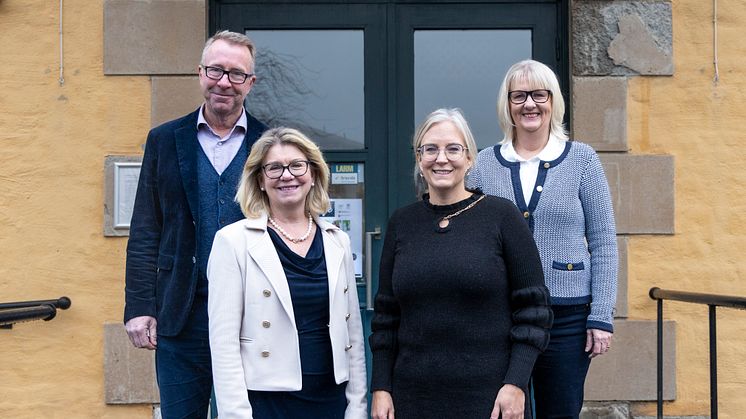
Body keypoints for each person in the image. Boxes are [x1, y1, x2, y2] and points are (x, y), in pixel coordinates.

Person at [369, 108, 553, 419]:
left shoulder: (502, 217)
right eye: (430, 149)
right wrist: (381, 386)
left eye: (453, 149)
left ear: (469, 158)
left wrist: (516, 383)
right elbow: (387, 315)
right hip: (412, 397)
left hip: (490, 397)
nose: (441, 158)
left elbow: (534, 312)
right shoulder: (402, 223)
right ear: (419, 158)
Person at [123, 30, 266, 418]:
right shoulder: (165, 140)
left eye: (237, 74)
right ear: (200, 73)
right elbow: (145, 230)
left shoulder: (272, 143)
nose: (224, 82)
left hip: (254, 318)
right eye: (216, 70)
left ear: (250, 84)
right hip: (181, 316)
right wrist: (139, 306)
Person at [468, 59, 619, 419]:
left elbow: (603, 242)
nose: (529, 105)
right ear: (507, 105)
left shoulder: (582, 160)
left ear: (554, 101)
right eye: (518, 96)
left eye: (539, 94)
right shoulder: (485, 164)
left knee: (560, 410)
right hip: (502, 314)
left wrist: (600, 315)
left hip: (566, 317)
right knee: (502, 411)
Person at [206, 127, 368, 419]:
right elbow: (223, 343)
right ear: (260, 180)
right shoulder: (233, 242)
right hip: (266, 403)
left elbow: (352, 335)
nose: (287, 175)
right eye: (274, 168)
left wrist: (357, 407)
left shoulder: (337, 240)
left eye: (297, 165)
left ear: (314, 174)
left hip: (330, 399)